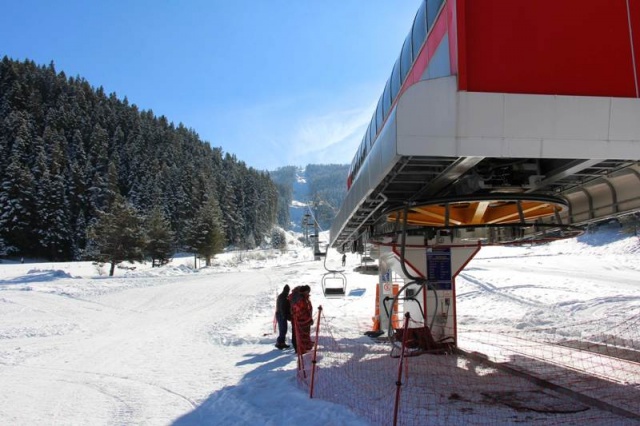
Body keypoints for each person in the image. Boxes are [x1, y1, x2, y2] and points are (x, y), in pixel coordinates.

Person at [289, 285, 313, 354]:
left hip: (302, 320)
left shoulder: (302, 297)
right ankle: (300, 349)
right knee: (300, 335)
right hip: (301, 321)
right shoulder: (300, 299)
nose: (308, 293)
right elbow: (300, 311)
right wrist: (308, 318)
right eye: (308, 292)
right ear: (305, 291)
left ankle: (304, 346)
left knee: (302, 334)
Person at [275, 285, 291, 350]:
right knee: (283, 329)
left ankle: (281, 342)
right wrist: (284, 316)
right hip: (281, 315)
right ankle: (280, 343)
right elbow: (282, 308)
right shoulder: (283, 297)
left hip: (280, 314)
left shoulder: (282, 296)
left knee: (283, 329)